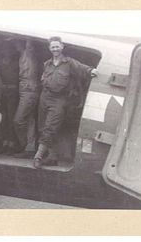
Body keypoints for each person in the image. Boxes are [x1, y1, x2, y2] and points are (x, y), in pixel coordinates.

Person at [33, 36, 98, 168]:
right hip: (45, 97)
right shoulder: (47, 64)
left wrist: (91, 71)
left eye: (57, 46)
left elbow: (82, 68)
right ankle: (52, 157)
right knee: (42, 126)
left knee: (50, 128)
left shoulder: (69, 62)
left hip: (59, 99)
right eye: (53, 47)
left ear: (62, 47)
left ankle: (38, 157)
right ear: (49, 48)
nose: (55, 49)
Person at [13, 40, 41, 158]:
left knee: (18, 120)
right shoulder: (22, 55)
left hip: (29, 89)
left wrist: (27, 40)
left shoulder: (28, 53)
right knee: (29, 119)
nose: (15, 44)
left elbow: (29, 42)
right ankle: (29, 148)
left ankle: (24, 145)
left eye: (16, 42)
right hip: (25, 88)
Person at [0, 44, 20, 154]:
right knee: (3, 118)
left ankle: (11, 144)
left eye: (9, 51)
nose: (7, 53)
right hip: (2, 93)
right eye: (5, 51)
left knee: (11, 118)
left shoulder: (16, 64)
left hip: (13, 93)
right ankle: (3, 143)